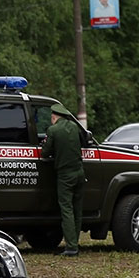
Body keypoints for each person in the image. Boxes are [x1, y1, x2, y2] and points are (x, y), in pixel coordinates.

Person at [41, 102, 86, 257]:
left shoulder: (53, 130)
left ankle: (72, 247)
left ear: (54, 117)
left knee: (66, 209)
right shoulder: (74, 127)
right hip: (79, 173)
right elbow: (84, 140)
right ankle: (76, 241)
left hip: (65, 175)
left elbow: (45, 153)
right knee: (77, 209)